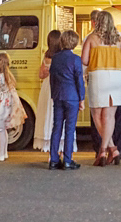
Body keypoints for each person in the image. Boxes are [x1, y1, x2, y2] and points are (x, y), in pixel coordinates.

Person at [81, 10, 121, 166]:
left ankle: (104, 150)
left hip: (98, 77)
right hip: (116, 78)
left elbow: (85, 60)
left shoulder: (91, 38)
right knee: (109, 116)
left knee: (97, 115)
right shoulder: (118, 40)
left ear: (97, 22)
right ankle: (112, 149)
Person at [49, 29, 84, 170]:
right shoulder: (76, 59)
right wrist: (81, 98)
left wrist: (54, 94)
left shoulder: (55, 58)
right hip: (72, 97)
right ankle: (68, 160)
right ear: (75, 43)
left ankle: (53, 160)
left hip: (58, 96)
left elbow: (52, 78)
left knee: (56, 127)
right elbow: (79, 80)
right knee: (69, 129)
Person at [33, 30, 62, 152]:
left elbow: (41, 74)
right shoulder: (62, 55)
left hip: (47, 86)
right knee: (58, 115)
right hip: (59, 86)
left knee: (47, 114)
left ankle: (49, 146)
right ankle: (60, 148)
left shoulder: (47, 55)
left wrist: (48, 71)